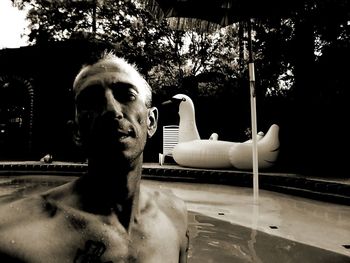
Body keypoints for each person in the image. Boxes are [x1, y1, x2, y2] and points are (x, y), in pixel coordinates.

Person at [0, 52, 189, 262]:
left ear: (151, 121)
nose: (111, 109)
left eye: (127, 95)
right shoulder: (14, 233)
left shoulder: (175, 215)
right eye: (91, 100)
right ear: (76, 133)